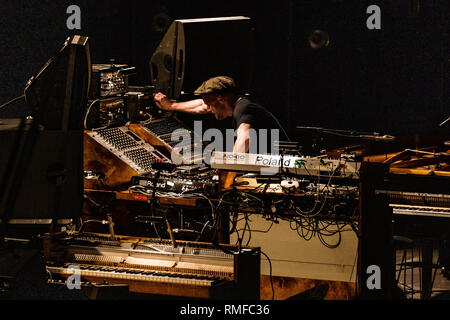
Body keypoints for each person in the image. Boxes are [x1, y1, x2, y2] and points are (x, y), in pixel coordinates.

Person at [153, 76, 285, 154]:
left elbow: (244, 138)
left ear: (221, 99)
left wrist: (230, 169)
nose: (208, 109)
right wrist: (171, 106)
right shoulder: (239, 103)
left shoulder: (243, 109)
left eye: (209, 104)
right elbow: (201, 106)